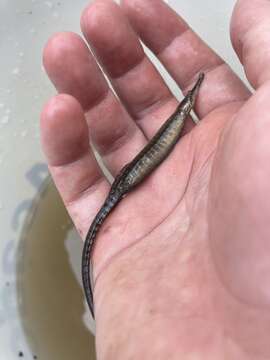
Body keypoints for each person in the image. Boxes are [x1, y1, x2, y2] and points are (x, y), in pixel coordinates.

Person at [40, 0, 270, 358]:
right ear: (186, 107)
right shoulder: (183, 112)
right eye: (191, 98)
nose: (192, 98)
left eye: (191, 98)